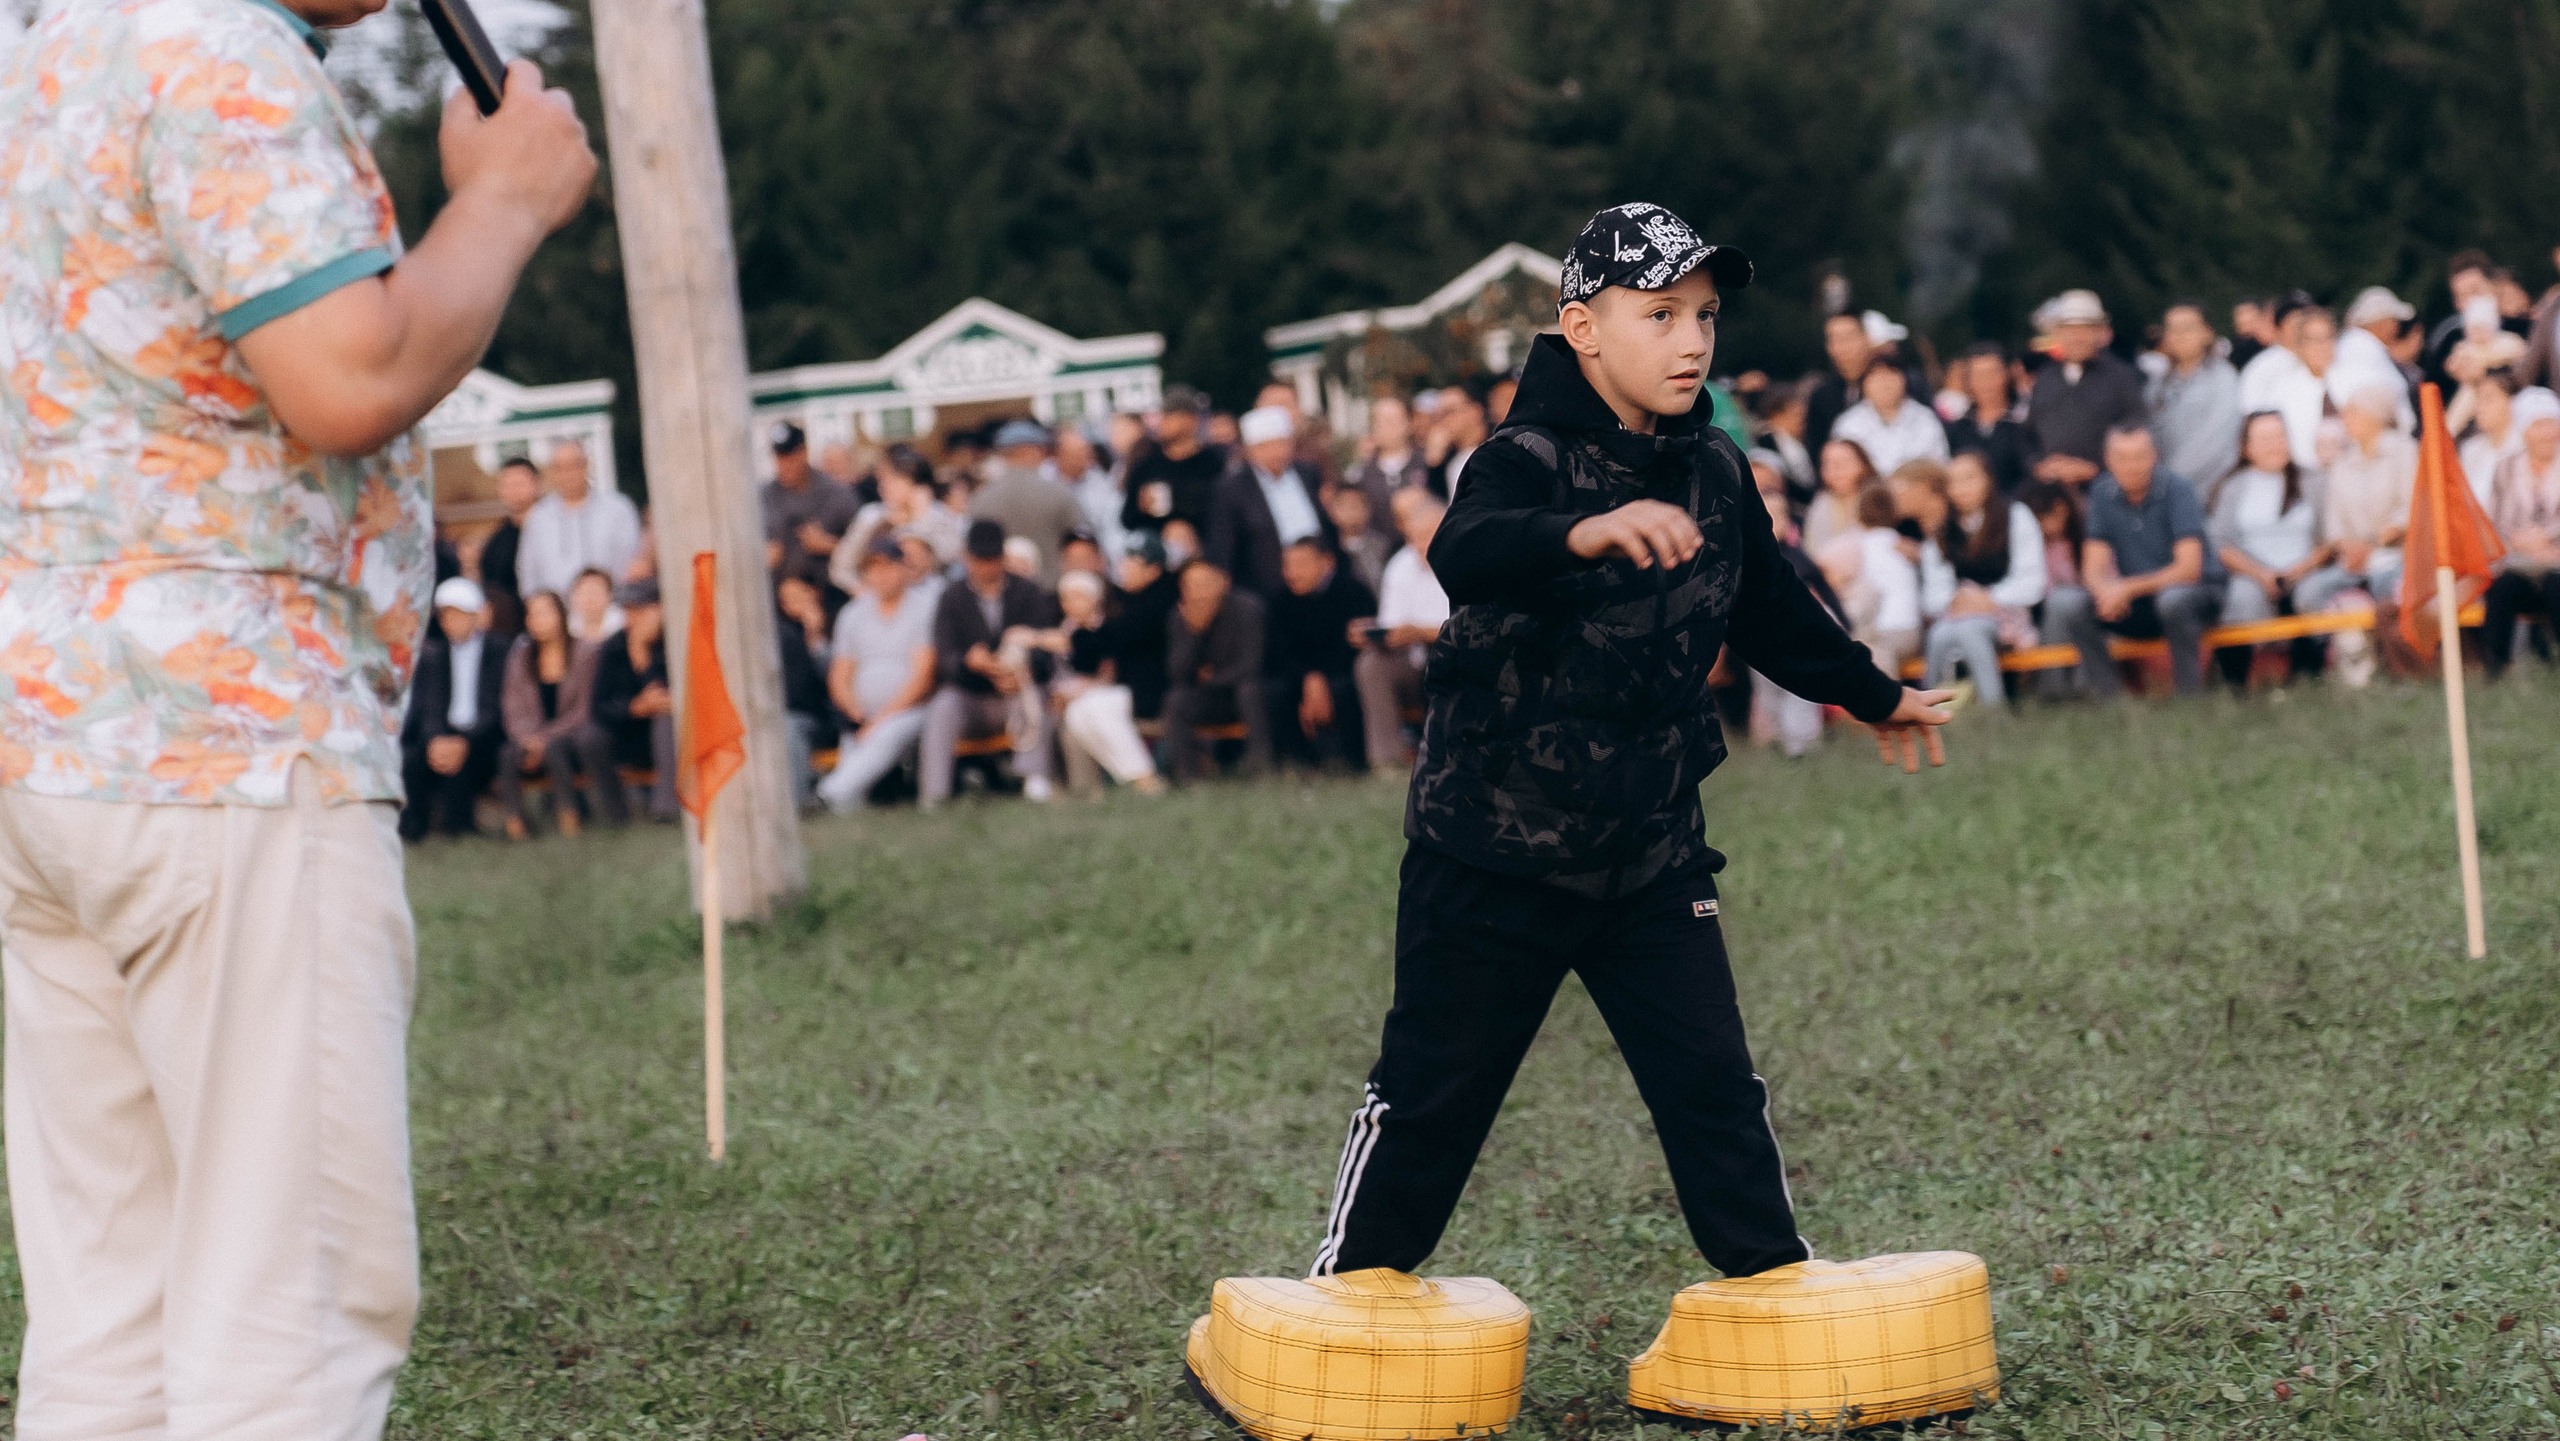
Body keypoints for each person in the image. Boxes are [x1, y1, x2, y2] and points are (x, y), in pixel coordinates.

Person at [0, 0, 596, 1426]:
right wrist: (504, 206)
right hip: (234, 746)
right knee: (292, 1314)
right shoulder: (222, 52)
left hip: (52, 735)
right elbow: (350, 372)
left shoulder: (51, 52)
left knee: (112, 1316)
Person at [1307, 204, 1949, 1289]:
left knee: (1710, 1079)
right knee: (1430, 1095)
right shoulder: (1520, 458)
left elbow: (1774, 614)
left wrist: (1873, 694)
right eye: (1659, 315)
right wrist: (1581, 531)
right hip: (1492, 850)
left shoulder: (1716, 471)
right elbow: (1464, 551)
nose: (1692, 340)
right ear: (1582, 326)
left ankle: (1767, 1281)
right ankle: (1347, 1290)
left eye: (1703, 314)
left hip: (1648, 846)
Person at [2043, 424, 2217, 696]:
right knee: (2072, 604)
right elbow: (2093, 566)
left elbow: (2189, 569)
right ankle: (2113, 700)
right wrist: (2105, 591)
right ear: (2108, 460)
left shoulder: (2178, 488)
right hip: (2136, 601)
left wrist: (2124, 588)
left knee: (2173, 601)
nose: (2131, 465)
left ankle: (2190, 698)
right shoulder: (2101, 493)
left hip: (2194, 595)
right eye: (2122, 458)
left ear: (2154, 456)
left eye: (2139, 456)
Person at [921, 520, 1062, 807]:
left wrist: (1023, 671)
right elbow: (944, 656)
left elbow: (1045, 652)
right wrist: (968, 662)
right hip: (969, 694)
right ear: (967, 558)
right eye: (980, 560)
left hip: (1013, 691)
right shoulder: (952, 598)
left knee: (1032, 699)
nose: (987, 567)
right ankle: (934, 794)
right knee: (942, 708)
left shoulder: (1027, 593)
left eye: (993, 559)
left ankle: (1034, 780)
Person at [815, 539, 941, 811]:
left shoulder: (924, 608)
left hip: (910, 709)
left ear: (903, 569)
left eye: (887, 567)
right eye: (872, 569)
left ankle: (826, 793)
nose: (881, 575)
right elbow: (840, 672)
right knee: (856, 750)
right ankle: (838, 805)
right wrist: (852, 709)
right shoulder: (852, 613)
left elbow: (923, 675)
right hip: (861, 713)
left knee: (885, 735)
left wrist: (882, 718)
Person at [2205, 412, 2329, 684]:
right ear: (2246, 447)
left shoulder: (2314, 481)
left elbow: (2329, 541)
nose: (2275, 445)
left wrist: (2299, 570)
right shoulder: (2232, 487)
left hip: (2305, 570)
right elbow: (2220, 544)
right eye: (2265, 439)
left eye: (2279, 436)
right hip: (2252, 573)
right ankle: (2234, 682)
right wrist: (2261, 575)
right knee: (2241, 597)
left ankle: (2309, 673)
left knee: (2314, 592)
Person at [1919, 452, 2047, 710]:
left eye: (1969, 478)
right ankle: (1930, 710)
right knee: (1939, 634)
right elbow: (1933, 594)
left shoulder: (2015, 516)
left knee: (1970, 630)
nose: (1962, 488)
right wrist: (1958, 600)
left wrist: (1990, 598)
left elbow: (2033, 581)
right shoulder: (1943, 530)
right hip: (1959, 613)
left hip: (2011, 615)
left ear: (1988, 480)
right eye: (1953, 481)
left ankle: (1994, 711)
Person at [2294, 384, 2416, 631]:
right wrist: (2348, 548)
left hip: (2398, 556)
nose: (2345, 419)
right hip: (2354, 562)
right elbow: (2334, 525)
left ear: (2375, 416)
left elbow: (2411, 509)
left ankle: (2392, 655)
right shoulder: (2342, 464)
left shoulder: (2405, 451)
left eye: (2353, 412)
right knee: (2309, 592)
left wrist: (2371, 545)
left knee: (2386, 583)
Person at [495, 589, 613, 836]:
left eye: (544, 612)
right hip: (529, 738)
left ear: (561, 614)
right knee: (507, 754)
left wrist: (543, 739)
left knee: (555, 747)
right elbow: (512, 707)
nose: (537, 619)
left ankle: (568, 815)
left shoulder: (585, 653)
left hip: (571, 735)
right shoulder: (520, 657)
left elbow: (584, 709)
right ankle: (517, 822)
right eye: (531, 614)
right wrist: (528, 739)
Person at [401, 578, 509, 840]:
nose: (451, 622)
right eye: (447, 615)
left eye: (458, 615)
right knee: (413, 760)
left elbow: (497, 707)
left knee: (464, 761)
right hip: (444, 732)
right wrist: (436, 739)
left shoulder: (500, 651)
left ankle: (458, 827)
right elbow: (429, 707)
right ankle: (415, 828)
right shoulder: (433, 655)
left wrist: (466, 741)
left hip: (484, 735)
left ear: (475, 616)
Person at [1353, 490, 1453, 771]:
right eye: (1414, 538)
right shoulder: (1400, 565)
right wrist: (1377, 634)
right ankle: (1388, 759)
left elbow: (1475, 628)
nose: (1420, 546)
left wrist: (1420, 632)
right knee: (1371, 664)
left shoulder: (1469, 559)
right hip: (1412, 658)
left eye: (1427, 536)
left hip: (1454, 654)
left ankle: (1451, 756)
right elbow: (1393, 623)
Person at [1048, 570, 1168, 794]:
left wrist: (1076, 688)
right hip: (1084, 700)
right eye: (1066, 598)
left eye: (1079, 596)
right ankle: (1136, 779)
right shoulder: (1062, 631)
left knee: (1092, 705)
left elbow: (1110, 674)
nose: (1072, 604)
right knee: (1077, 713)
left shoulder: (1113, 627)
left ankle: (1143, 777)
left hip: (1125, 694)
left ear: (1095, 598)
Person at [1263, 538, 1376, 771]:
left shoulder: (1355, 594)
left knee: (1348, 688)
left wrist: (1320, 679)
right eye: (1287, 565)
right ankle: (1294, 763)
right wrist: (1309, 679)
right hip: (1300, 678)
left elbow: (1357, 648)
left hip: (1343, 673)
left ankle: (1350, 762)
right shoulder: (1280, 601)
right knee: (1274, 691)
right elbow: (1278, 654)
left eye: (1301, 564)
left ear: (1326, 562)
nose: (1292, 573)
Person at [1207, 405, 1335, 602]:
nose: (1277, 452)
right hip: (1267, 593)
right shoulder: (1231, 488)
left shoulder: (1307, 472)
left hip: (1320, 586)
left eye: (1282, 444)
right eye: (1266, 446)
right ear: (1250, 451)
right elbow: (1224, 547)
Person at [1161, 560, 1272, 780]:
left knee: (1248, 690)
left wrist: (1211, 678)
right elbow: (1176, 672)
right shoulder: (1181, 616)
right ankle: (1189, 779)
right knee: (1176, 701)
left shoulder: (1247, 608)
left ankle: (1262, 770)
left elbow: (1251, 665)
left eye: (1204, 583)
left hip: (1251, 692)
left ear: (1223, 582)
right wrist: (1195, 633)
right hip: (1210, 698)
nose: (1198, 592)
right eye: (1190, 585)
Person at [2025, 290, 2147, 485]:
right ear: (2058, 333)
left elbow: (2137, 429)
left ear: (2099, 332)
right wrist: (2039, 465)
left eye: (2085, 329)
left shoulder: (2122, 377)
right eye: (2070, 330)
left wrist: (2094, 467)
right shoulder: (2045, 378)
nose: (2077, 338)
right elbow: (2028, 435)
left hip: (2106, 487)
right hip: (2052, 490)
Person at [2482, 386, 2560, 677]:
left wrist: (2546, 540)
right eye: (2539, 425)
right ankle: (2495, 673)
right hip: (2519, 561)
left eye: (2552, 423)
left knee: (2556, 585)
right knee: (2502, 589)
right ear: (2524, 431)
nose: (2548, 433)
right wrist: (2522, 542)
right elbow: (2495, 523)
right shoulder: (2506, 469)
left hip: (2557, 564)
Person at [589, 580, 679, 822]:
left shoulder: (677, 641)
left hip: (674, 732)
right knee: (592, 737)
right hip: (630, 732)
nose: (631, 619)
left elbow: (668, 693)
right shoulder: (614, 646)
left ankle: (667, 807)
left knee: (665, 720)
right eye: (627, 611)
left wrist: (644, 662)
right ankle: (615, 814)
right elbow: (599, 706)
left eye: (638, 610)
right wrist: (634, 707)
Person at [517, 439, 643, 598]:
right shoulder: (538, 518)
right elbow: (528, 572)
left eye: (573, 465)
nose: (567, 474)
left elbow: (633, 562)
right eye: (559, 468)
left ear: (586, 465)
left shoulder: (618, 509)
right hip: (559, 617)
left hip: (612, 611)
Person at [972, 419, 1086, 584]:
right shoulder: (1058, 492)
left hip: (1004, 591)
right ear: (1030, 450)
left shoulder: (982, 498)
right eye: (1041, 449)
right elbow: (1081, 536)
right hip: (1051, 586)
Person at [834, 445, 963, 589]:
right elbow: (841, 567)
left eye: (894, 480)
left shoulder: (936, 514)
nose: (884, 487)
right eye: (881, 480)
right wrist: (865, 593)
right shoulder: (871, 515)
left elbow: (950, 558)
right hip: (882, 598)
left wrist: (921, 516)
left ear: (916, 483)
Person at [2146, 302, 2243, 487]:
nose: (2179, 336)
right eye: (2172, 329)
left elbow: (2215, 440)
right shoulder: (2158, 383)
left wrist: (2168, 480)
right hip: (2160, 489)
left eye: (2187, 328)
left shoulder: (2224, 379)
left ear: (2207, 333)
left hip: (2207, 490)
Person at [761, 421, 862, 593]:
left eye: (791, 456)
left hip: (829, 597)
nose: (785, 464)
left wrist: (832, 546)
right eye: (780, 457)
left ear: (804, 452)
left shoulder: (836, 494)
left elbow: (866, 549)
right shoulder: (765, 496)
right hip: (779, 601)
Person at [1122, 384, 1226, 536]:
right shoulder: (1146, 466)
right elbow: (1127, 519)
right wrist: (1141, 508)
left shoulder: (1215, 462)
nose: (1162, 421)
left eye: (1169, 415)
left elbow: (1225, 513)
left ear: (1191, 419)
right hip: (1160, 551)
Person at [1828, 357, 1949, 477]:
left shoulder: (1925, 419)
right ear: (1864, 384)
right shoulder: (1848, 424)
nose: (1884, 383)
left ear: (1904, 380)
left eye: (1891, 374)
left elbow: (1940, 465)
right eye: (1876, 376)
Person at [1942, 344, 2035, 496]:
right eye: (1977, 375)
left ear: (2007, 374)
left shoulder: (2024, 420)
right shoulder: (1957, 428)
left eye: (1992, 373)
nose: (1986, 382)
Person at [479, 455, 542, 631]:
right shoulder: (496, 543)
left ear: (537, 485)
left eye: (520, 483)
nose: (514, 490)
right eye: (507, 485)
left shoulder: (553, 529)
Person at [1348, 393, 1434, 519]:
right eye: (1377, 421)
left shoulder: (1428, 463)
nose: (1383, 427)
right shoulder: (1361, 472)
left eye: (1390, 420)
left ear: (1409, 424)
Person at [1050, 425, 1126, 564]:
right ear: (1058, 456)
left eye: (1085, 454)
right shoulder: (1046, 480)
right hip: (1054, 553)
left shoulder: (1101, 482)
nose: (1081, 460)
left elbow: (1110, 523)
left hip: (1093, 553)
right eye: (1074, 455)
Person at [1803, 437, 1879, 554]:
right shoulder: (1820, 506)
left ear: (1863, 465)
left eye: (1844, 462)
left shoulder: (1879, 500)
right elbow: (1813, 552)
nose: (1836, 470)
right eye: (1828, 464)